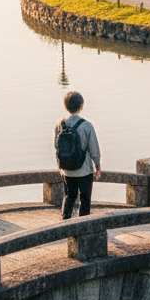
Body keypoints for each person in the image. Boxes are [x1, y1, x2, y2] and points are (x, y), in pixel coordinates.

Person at [55, 91, 101, 219]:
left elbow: (56, 147)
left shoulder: (59, 124)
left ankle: (66, 224)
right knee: (85, 200)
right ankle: (83, 229)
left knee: (69, 197)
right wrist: (97, 166)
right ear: (81, 106)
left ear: (66, 106)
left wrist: (60, 167)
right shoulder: (86, 126)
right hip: (84, 171)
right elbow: (94, 150)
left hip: (66, 170)